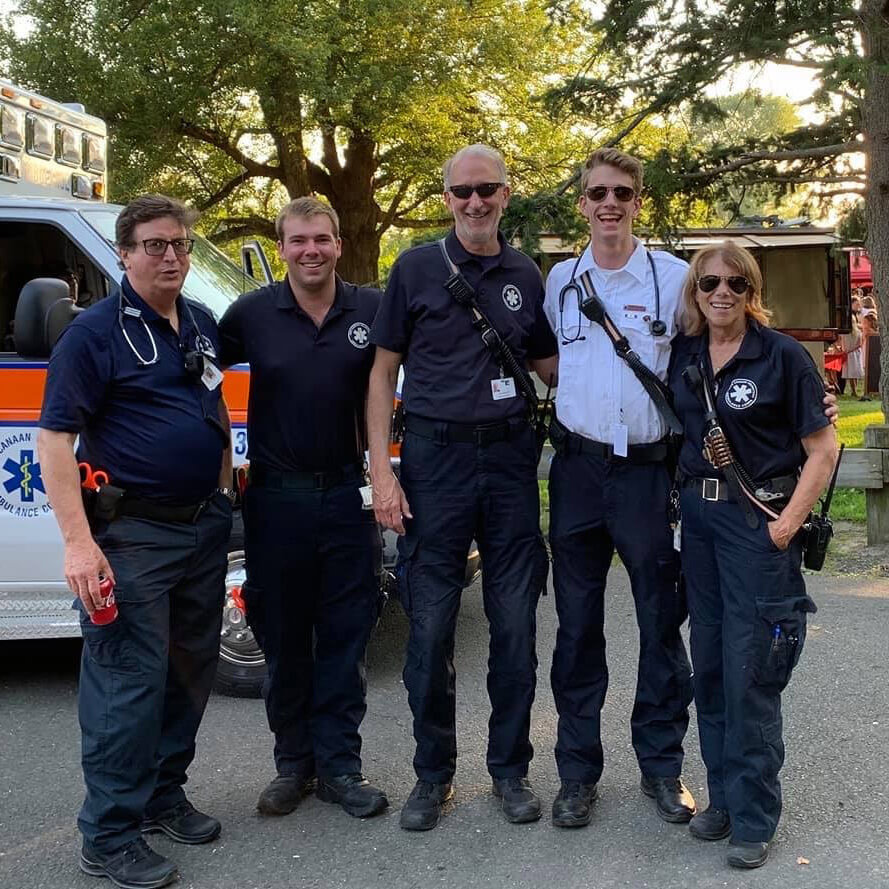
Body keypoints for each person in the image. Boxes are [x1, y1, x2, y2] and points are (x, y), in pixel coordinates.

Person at [38, 195, 235, 889]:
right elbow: (54, 439)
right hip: (131, 535)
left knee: (189, 671)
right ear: (124, 254)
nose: (172, 256)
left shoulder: (201, 323)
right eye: (155, 245)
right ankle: (109, 834)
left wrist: (221, 489)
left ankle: (160, 794)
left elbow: (210, 403)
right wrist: (78, 545)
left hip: (200, 527)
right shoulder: (93, 335)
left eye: (180, 243)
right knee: (127, 682)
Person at [367, 144, 558, 830]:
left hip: (508, 464)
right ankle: (432, 775)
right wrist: (380, 470)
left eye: (487, 190)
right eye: (462, 191)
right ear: (445, 197)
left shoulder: (524, 274)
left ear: (506, 194)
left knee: (513, 630)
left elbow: (552, 364)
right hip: (432, 463)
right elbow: (381, 372)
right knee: (429, 632)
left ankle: (508, 770)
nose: (475, 202)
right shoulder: (415, 267)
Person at [217, 198, 388, 820]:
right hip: (275, 501)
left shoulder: (371, 309)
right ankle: (293, 765)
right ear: (282, 247)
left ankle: (342, 768)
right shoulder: (251, 314)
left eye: (322, 238)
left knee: (345, 638)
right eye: (297, 240)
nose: (310, 250)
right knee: (284, 640)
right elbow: (196, 377)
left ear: (339, 244)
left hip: (347, 496)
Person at [542, 148, 696, 829]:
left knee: (660, 624)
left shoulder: (675, 279)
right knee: (575, 629)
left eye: (622, 192)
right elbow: (548, 361)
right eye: (597, 191)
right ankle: (576, 772)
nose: (609, 202)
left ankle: (661, 766)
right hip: (575, 470)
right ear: (580, 202)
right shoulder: (560, 279)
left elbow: (708, 363)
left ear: (639, 200)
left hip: (645, 473)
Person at [669, 243, 836, 869]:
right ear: (695, 289)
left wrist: (786, 526)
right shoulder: (684, 354)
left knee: (752, 674)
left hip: (757, 526)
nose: (721, 292)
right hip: (701, 527)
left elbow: (822, 448)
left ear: (751, 290)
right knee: (708, 666)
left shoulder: (782, 356)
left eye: (735, 283)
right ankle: (722, 800)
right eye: (709, 281)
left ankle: (756, 815)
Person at [840, 311, 864, 397]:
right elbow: (860, 344)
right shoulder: (858, 333)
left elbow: (842, 344)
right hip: (855, 353)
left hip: (848, 353)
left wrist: (845, 350)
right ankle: (854, 390)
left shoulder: (844, 334)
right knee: (855, 372)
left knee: (850, 373)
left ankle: (853, 390)